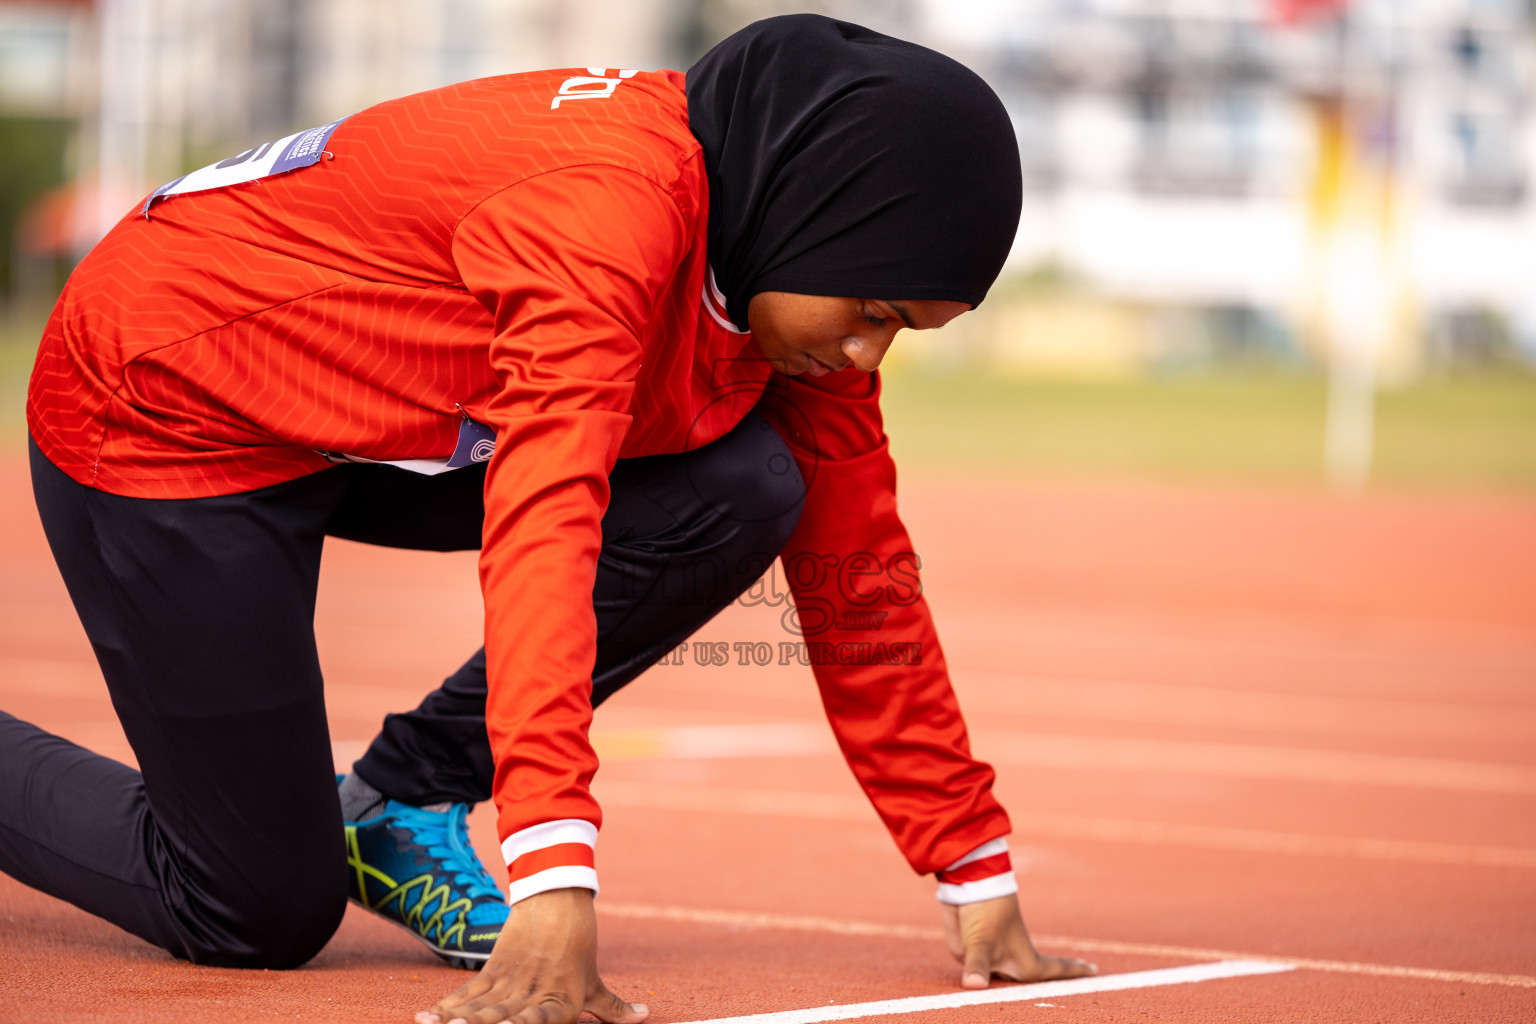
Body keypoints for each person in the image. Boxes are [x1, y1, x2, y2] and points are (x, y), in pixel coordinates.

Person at [2, 14, 1095, 1024]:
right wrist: (554, 870)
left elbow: (861, 569)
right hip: (168, 408)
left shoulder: (789, 261)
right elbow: (546, 526)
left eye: (904, 330)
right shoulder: (604, 214)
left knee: (755, 482)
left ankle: (404, 798)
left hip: (389, 414)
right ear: (821, 212)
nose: (867, 355)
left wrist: (971, 863)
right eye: (873, 313)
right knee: (252, 911)